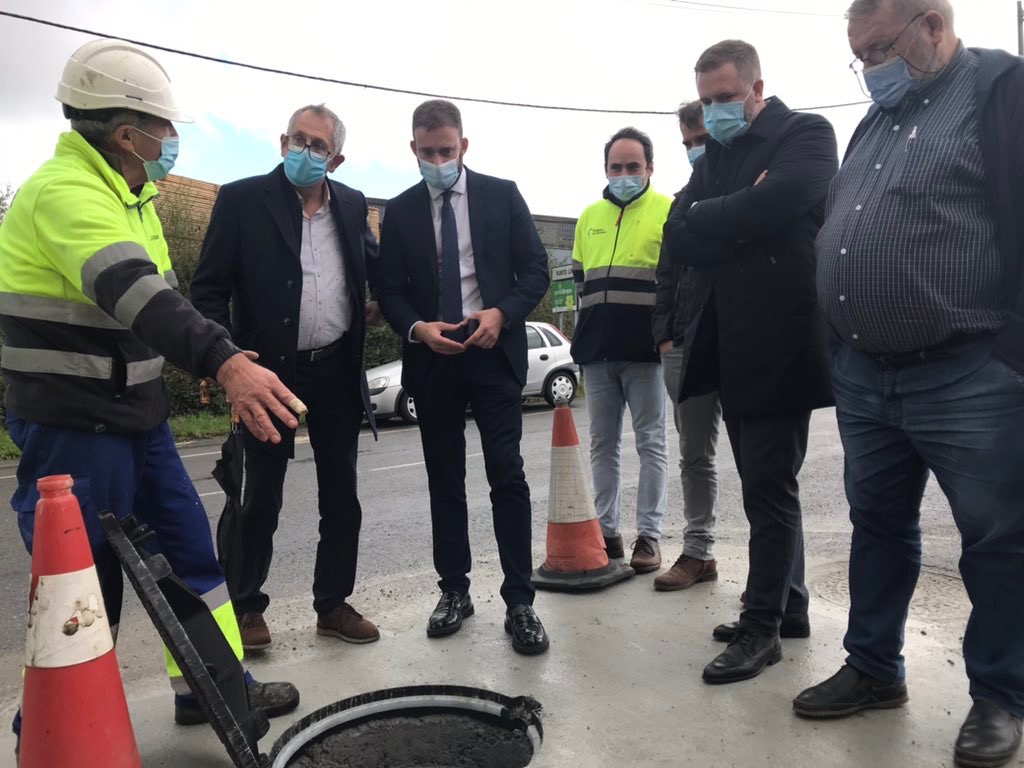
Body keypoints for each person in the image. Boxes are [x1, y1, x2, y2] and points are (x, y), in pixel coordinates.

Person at [0, 38, 299, 736]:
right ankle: (53, 735)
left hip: (138, 417)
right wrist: (226, 365)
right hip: (73, 424)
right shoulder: (64, 194)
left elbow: (168, 312)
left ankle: (215, 692)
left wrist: (224, 352)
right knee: (84, 585)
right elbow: (132, 292)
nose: (171, 142)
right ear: (125, 131)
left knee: (192, 557)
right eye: (164, 128)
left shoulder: (132, 197)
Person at [794, 2, 1024, 765]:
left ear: (933, 23)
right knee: (879, 527)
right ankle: (872, 667)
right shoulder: (877, 121)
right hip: (866, 373)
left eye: (881, 49)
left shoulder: (1001, 93)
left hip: (969, 371)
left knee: (997, 540)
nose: (870, 70)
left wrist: (1012, 350)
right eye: (858, 56)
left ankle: (1001, 694)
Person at [661, 39, 837, 684]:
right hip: (730, 342)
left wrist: (717, 218)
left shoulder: (807, 133)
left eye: (726, 98)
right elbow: (680, 237)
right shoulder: (719, 156)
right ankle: (787, 609)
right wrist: (733, 215)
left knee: (769, 487)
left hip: (781, 340)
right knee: (762, 483)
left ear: (758, 88)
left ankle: (760, 628)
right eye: (706, 102)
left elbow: (783, 203)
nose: (714, 113)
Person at [191, 104, 380, 652]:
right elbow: (207, 291)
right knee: (259, 499)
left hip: (338, 370)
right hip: (269, 375)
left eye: (317, 145)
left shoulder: (351, 204)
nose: (305, 150)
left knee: (342, 497)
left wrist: (384, 305)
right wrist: (227, 359)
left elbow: (373, 267)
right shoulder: (242, 199)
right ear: (281, 142)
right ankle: (247, 607)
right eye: (297, 139)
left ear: (336, 158)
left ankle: (333, 605)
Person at [376, 99, 550, 655]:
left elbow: (535, 271)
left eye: (446, 151)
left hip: (493, 353)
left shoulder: (502, 195)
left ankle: (520, 601)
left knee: (507, 472)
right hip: (434, 358)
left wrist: (502, 313)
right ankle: (454, 591)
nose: (437, 161)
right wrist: (417, 328)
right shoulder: (400, 211)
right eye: (427, 153)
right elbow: (390, 290)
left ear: (463, 146)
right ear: (413, 150)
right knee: (444, 480)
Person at [570, 127, 671, 575]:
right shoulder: (588, 216)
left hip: (646, 351)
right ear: (606, 169)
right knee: (601, 445)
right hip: (597, 350)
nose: (625, 174)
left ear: (649, 168)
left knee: (652, 443)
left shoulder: (668, 211)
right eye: (617, 167)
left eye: (634, 166)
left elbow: (674, 283)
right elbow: (579, 283)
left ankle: (649, 536)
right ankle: (606, 532)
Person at [652, 101, 724, 592]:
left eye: (703, 140)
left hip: (745, 344)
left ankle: (781, 586)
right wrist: (665, 337)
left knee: (769, 471)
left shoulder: (762, 189)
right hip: (687, 348)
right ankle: (698, 552)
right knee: (693, 457)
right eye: (688, 144)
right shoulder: (681, 203)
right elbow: (665, 277)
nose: (696, 151)